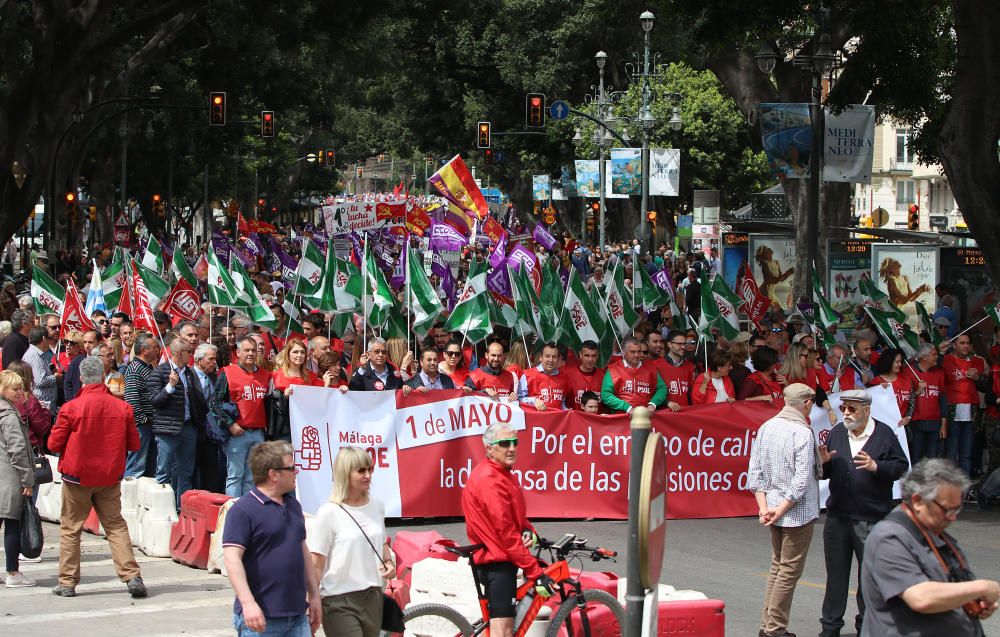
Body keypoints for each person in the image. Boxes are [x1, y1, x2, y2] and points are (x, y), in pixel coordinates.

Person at [860, 458, 1000, 636]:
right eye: (948, 509)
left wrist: (974, 601)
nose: (953, 518)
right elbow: (921, 597)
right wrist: (981, 588)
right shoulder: (888, 538)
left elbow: (952, 586)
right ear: (918, 501)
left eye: (957, 510)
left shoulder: (936, 533)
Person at [47, 356, 145, 598]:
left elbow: (53, 442)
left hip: (77, 477)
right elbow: (134, 444)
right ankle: (132, 576)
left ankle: (68, 582)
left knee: (71, 529)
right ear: (103, 377)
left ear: (81, 378)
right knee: (115, 526)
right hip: (109, 477)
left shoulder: (71, 408)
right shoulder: (122, 407)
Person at [818, 389, 909, 637]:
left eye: (852, 409)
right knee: (836, 575)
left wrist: (877, 466)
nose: (846, 413)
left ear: (866, 410)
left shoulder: (883, 434)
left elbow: (901, 466)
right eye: (843, 408)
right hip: (838, 517)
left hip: (870, 517)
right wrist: (823, 464)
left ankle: (867, 625)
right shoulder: (837, 433)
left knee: (868, 577)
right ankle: (830, 627)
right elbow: (826, 473)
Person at [747, 383, 831, 637]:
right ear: (806, 404)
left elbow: (755, 473)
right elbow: (801, 480)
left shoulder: (767, 426)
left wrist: (765, 508)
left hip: (772, 506)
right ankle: (775, 628)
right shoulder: (802, 432)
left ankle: (767, 625)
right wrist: (781, 509)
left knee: (778, 567)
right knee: (788, 571)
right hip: (795, 511)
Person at [222, 441, 321, 637]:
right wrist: (248, 603)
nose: (297, 472)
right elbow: (231, 558)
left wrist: (315, 595)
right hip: (261, 619)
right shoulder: (243, 511)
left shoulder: (293, 506)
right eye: (291, 468)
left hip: (297, 616)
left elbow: (303, 552)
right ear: (273, 474)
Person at [462, 423, 551, 637]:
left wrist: (529, 532)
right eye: (504, 443)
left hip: (500, 558)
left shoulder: (504, 474)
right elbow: (506, 534)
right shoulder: (490, 480)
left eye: (514, 443)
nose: (511, 448)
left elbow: (514, 520)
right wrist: (535, 572)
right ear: (489, 449)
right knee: (503, 632)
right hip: (496, 562)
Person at [309, 447, 396, 637]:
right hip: (339, 599)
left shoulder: (377, 505)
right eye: (360, 470)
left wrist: (389, 564)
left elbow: (382, 545)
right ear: (344, 474)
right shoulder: (329, 512)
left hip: (373, 595)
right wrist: (311, 601)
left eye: (369, 469)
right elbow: (316, 564)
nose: (367, 475)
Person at [212, 336, 273, 498]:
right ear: (238, 352)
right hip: (237, 432)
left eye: (254, 350)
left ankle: (247, 513)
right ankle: (232, 514)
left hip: (259, 432)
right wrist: (230, 424)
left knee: (252, 477)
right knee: (235, 475)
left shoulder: (266, 376)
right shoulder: (227, 373)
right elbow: (214, 403)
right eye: (247, 350)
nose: (251, 353)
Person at [149, 337, 199, 508]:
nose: (191, 356)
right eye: (189, 352)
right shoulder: (160, 372)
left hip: (187, 427)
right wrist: (170, 386)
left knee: (186, 471)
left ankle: (182, 507)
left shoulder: (189, 373)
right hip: (167, 430)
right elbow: (155, 401)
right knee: (163, 470)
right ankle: (159, 508)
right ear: (178, 353)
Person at [0, 370, 36, 588]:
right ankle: (13, 573)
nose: (19, 393)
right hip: (9, 478)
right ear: (3, 390)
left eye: (20, 388)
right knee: (13, 524)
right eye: (15, 389)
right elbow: (18, 450)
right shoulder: (9, 416)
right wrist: (27, 479)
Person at [941, 333, 987, 477]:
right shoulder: (945, 360)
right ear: (954, 345)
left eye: (968, 343)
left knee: (966, 454)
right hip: (952, 409)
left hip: (971, 411)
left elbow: (986, 387)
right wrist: (940, 350)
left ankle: (965, 490)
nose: (966, 346)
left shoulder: (977, 362)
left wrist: (978, 378)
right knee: (951, 452)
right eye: (962, 343)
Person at [123, 332, 160, 478]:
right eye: (154, 347)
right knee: (136, 464)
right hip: (141, 426)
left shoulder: (147, 368)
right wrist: (142, 419)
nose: (157, 349)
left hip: (149, 423)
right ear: (144, 350)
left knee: (148, 465)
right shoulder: (134, 369)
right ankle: (129, 495)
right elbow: (132, 399)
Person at [601, 336, 667, 413]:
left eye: (639, 351)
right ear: (624, 352)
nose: (637, 355)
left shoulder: (651, 368)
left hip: (645, 417)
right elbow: (606, 395)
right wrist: (627, 408)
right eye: (633, 352)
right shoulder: (613, 369)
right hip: (621, 418)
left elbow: (662, 388)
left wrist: (653, 404)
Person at [6, 360, 52, 453]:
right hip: (28, 449)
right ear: (27, 378)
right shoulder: (28, 400)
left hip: (7, 446)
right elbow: (42, 428)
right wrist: (46, 412)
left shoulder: (4, 397)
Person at [869, 348, 917, 428]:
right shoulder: (876, 382)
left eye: (900, 362)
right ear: (889, 362)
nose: (900, 365)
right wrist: (878, 390)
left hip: (904, 428)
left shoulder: (907, 381)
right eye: (897, 362)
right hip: (883, 428)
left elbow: (912, 402)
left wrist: (908, 417)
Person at [517, 342, 568, 410]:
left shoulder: (563, 378)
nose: (551, 360)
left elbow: (562, 403)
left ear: (558, 359)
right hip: (535, 419)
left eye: (554, 357)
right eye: (547, 356)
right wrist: (534, 401)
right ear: (540, 357)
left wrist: (567, 411)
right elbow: (519, 399)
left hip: (557, 419)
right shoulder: (527, 375)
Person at [652, 330, 695, 411]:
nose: (683, 347)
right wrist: (667, 402)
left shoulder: (689, 366)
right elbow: (651, 391)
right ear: (669, 344)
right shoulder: (655, 365)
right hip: (664, 414)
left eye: (684, 344)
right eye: (679, 344)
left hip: (685, 413)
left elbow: (691, 392)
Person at [21, 325, 59, 410]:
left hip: (44, 404)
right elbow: (40, 381)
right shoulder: (34, 355)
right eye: (49, 339)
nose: (49, 342)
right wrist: (55, 377)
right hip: (42, 405)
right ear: (44, 338)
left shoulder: (37, 354)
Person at [561, 341, 605, 411]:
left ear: (597, 356)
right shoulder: (567, 374)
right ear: (580, 355)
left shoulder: (604, 375)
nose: (590, 359)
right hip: (575, 420)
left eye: (593, 356)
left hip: (597, 420)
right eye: (587, 355)